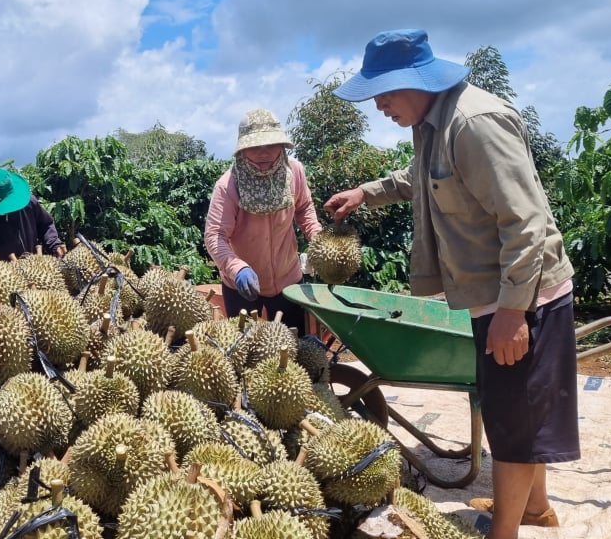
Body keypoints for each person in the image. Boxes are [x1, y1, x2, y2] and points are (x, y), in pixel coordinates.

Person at [324, 29, 577, 539]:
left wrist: (512, 312)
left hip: (522, 296)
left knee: (511, 425)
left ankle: (503, 532)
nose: (379, 105)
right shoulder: (432, 125)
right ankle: (536, 508)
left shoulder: (474, 123)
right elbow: (419, 176)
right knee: (521, 414)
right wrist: (364, 193)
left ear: (414, 81)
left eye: (384, 93)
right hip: (494, 296)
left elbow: (525, 222)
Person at [204, 108, 322, 329]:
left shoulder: (294, 171)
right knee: (245, 352)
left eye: (270, 144)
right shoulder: (228, 185)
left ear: (282, 144)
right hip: (242, 284)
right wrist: (236, 268)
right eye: (255, 146)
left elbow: (304, 208)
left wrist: (317, 236)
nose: (263, 153)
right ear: (243, 149)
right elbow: (215, 236)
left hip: (289, 280)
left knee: (296, 347)